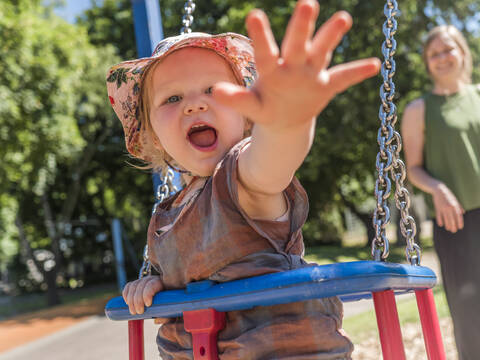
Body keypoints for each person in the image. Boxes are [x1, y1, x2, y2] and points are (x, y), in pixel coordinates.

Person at [107, 1, 380, 358]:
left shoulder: (241, 177)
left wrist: (288, 120)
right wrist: (155, 285)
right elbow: (185, 272)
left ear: (248, 117)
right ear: (154, 135)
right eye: (172, 98)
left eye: (214, 90)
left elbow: (274, 158)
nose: (194, 105)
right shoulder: (165, 216)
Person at [401, 25, 480, 360]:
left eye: (448, 49)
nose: (442, 58)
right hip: (455, 221)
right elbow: (413, 167)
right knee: (469, 314)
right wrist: (438, 188)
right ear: (427, 63)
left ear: (463, 52)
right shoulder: (419, 109)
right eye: (434, 54)